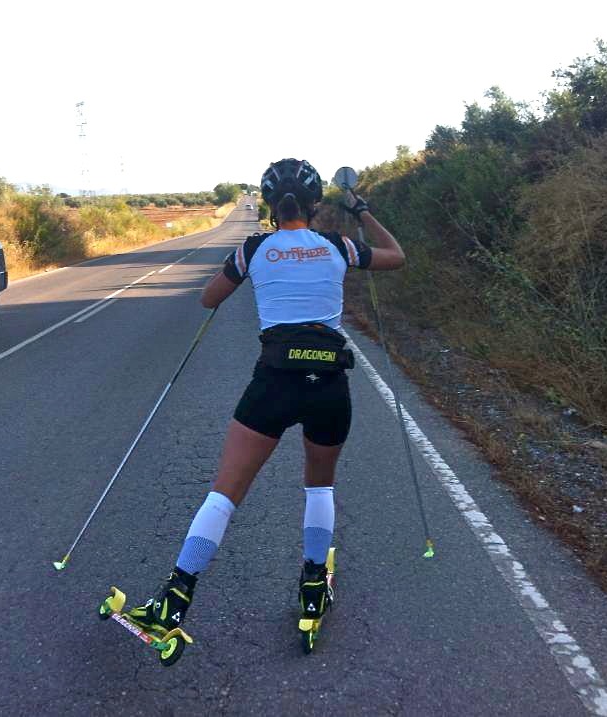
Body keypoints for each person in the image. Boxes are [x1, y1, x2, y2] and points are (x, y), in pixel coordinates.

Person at [126, 158, 405, 637]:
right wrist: (360, 209)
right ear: (315, 204)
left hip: (273, 382)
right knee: (320, 487)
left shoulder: (255, 248)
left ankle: (174, 599)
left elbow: (208, 299)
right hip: (330, 385)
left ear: (271, 204)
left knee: (225, 494)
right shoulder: (338, 245)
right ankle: (314, 585)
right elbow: (394, 255)